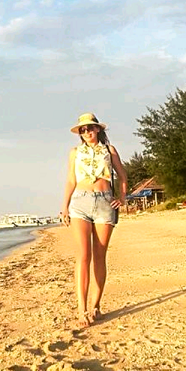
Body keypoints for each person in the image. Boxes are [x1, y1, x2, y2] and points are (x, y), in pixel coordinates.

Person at [61, 113, 127, 328]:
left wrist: (122, 198)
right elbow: (71, 180)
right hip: (80, 202)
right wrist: (64, 207)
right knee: (83, 256)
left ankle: (96, 306)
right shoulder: (74, 153)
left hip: (105, 202)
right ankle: (82, 310)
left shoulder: (109, 150)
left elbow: (122, 176)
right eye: (83, 129)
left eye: (90, 128)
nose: (87, 132)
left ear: (98, 129)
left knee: (100, 256)